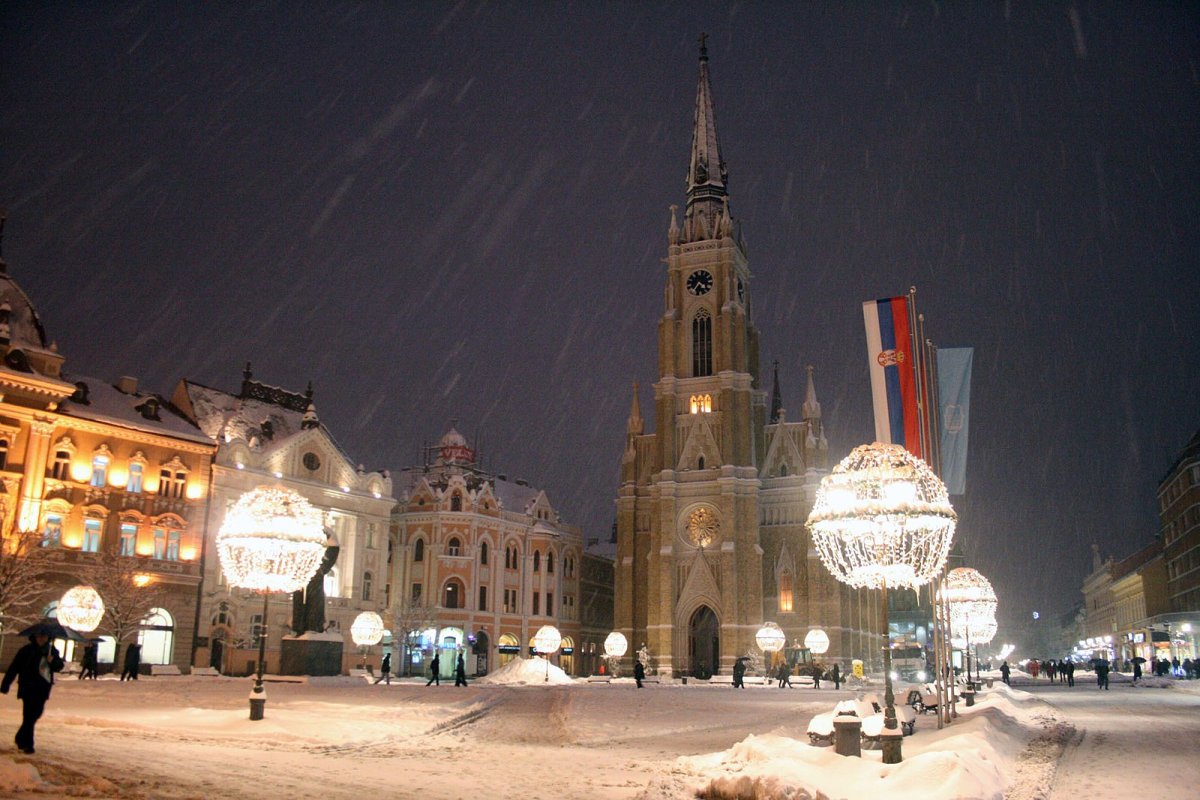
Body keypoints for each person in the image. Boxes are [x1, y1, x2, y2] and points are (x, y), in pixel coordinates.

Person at [2, 632, 64, 754]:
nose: (41, 638)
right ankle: (28, 745)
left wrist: (52, 661)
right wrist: (6, 684)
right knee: (29, 715)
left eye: (44, 636)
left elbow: (59, 666)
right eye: (39, 636)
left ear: (48, 638)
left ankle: (20, 737)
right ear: (34, 637)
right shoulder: (26, 650)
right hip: (28, 687)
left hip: (43, 688)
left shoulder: (52, 651)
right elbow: (14, 667)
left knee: (36, 713)